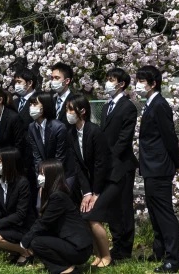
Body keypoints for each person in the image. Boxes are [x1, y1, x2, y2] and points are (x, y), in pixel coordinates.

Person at [136, 65, 179, 273]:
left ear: (153, 83)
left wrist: (177, 162)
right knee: (154, 210)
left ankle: (173, 258)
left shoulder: (160, 105)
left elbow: (169, 136)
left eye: (142, 81)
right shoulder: (150, 104)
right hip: (150, 166)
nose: (138, 85)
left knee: (164, 212)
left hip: (160, 166)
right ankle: (159, 250)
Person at [21, 159, 92, 274]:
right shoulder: (53, 194)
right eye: (39, 173)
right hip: (73, 244)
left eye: (43, 174)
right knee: (38, 240)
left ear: (51, 176)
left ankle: (67, 270)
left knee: (36, 243)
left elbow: (43, 222)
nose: (39, 177)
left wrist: (24, 241)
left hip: (79, 248)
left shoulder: (58, 197)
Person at [65, 93, 112, 267]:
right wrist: (86, 192)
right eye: (67, 109)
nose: (68, 113)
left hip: (105, 181)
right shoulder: (71, 133)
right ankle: (97, 254)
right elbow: (78, 166)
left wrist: (96, 193)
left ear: (82, 110)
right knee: (85, 214)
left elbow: (101, 164)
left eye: (71, 109)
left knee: (92, 216)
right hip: (89, 184)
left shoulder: (94, 131)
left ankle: (106, 256)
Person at [97, 67, 138, 262]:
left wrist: (110, 158)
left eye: (111, 79)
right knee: (112, 207)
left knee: (123, 206)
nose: (108, 83)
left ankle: (125, 248)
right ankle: (116, 243)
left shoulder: (128, 107)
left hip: (122, 165)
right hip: (108, 165)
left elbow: (124, 139)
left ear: (121, 84)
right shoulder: (106, 107)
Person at [0, 146, 33, 263]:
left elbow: (20, 214)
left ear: (9, 163)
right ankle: (14, 251)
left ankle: (25, 251)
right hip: (8, 224)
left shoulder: (22, 183)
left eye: (0, 161)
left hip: (22, 226)